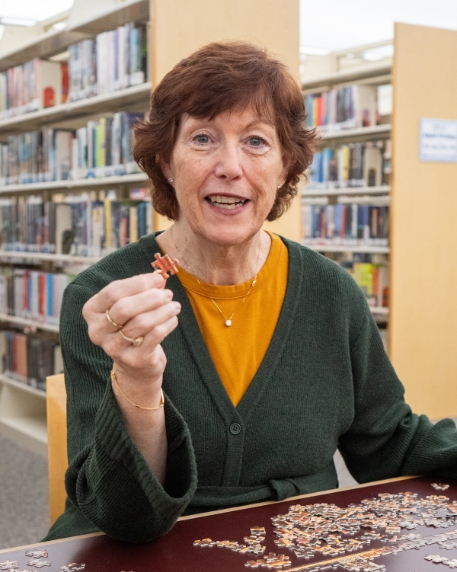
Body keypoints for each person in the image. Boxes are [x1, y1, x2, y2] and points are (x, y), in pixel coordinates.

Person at [45, 42, 457, 544]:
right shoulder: (105, 302)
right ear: (166, 162)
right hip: (144, 566)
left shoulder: (333, 294)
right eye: (202, 138)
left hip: (297, 565)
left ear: (286, 166)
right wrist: (137, 381)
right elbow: (123, 515)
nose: (230, 166)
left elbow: (389, 441)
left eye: (257, 142)